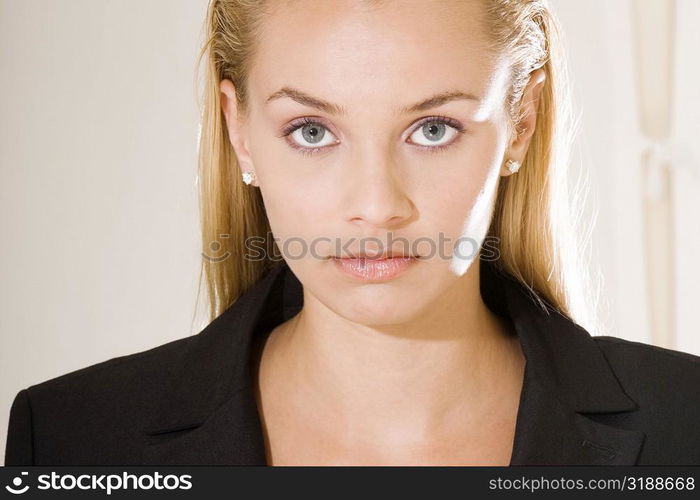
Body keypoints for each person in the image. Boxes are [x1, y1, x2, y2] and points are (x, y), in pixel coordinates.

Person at [5, 0, 700, 466]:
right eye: (312, 132)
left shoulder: (685, 426)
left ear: (521, 123)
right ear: (238, 130)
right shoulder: (71, 437)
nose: (376, 206)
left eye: (434, 130)